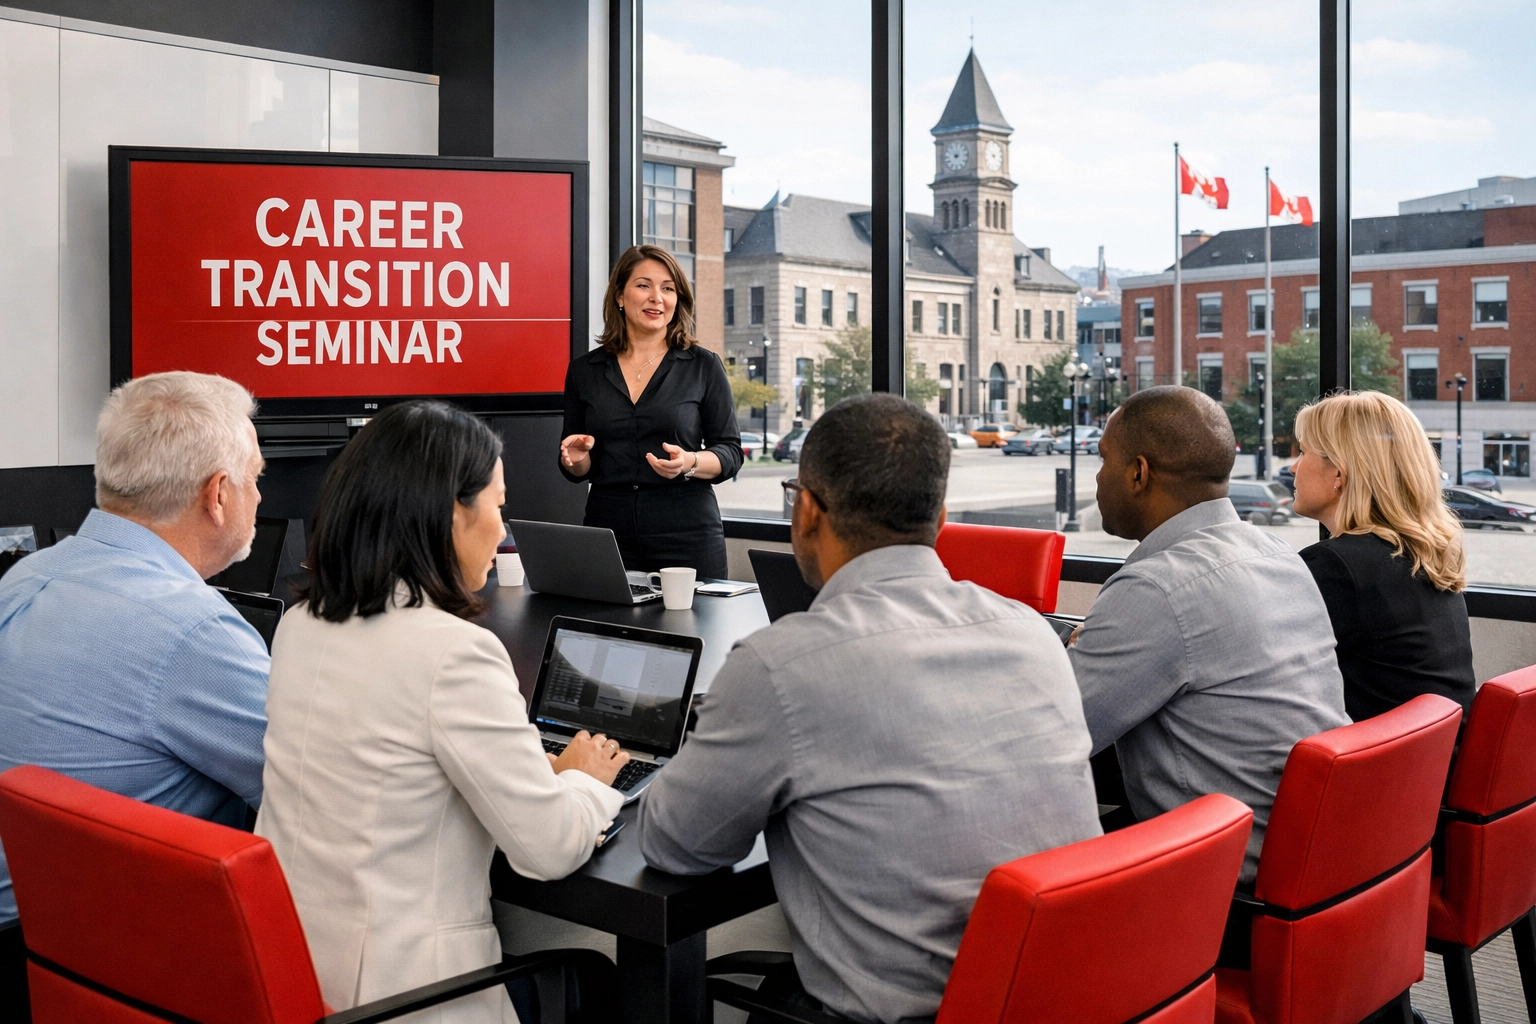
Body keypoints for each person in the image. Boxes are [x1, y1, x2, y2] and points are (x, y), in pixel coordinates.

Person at [637, 393, 1102, 1024]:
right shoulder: (1031, 633)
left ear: (805, 511)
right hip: (1059, 998)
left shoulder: (783, 665)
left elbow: (674, 844)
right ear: (938, 514)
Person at [256, 400, 629, 1024]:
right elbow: (549, 849)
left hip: (295, 974)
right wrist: (582, 780)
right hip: (408, 999)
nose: (504, 528)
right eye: (497, 504)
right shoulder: (454, 654)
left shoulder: (299, 625)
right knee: (601, 981)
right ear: (451, 511)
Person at [0, 371, 271, 1019]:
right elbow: (317, 796)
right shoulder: (194, 629)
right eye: (257, 479)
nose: (260, 496)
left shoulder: (24, 578)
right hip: (104, 961)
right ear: (219, 495)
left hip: (39, 954)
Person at [1069, 386, 1348, 885]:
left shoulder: (1158, 587)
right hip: (1310, 856)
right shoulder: (1278, 554)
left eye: (1103, 459)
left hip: (1222, 885)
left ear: (1138, 473)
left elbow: (1053, 735)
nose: (1095, 476)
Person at [559, 244, 742, 579]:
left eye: (668, 288)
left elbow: (730, 452)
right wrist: (576, 458)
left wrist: (689, 462)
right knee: (605, 630)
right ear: (619, 296)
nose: (657, 297)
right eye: (644, 285)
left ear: (678, 300)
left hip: (687, 535)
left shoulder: (703, 366)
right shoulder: (585, 370)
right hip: (608, 533)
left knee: (690, 630)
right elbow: (576, 467)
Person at [1292, 391, 1475, 721]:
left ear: (1339, 473)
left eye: (1303, 452)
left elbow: (1268, 678)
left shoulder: (1337, 567)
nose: (1292, 467)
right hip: (1435, 764)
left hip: (1377, 768)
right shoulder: (1421, 553)